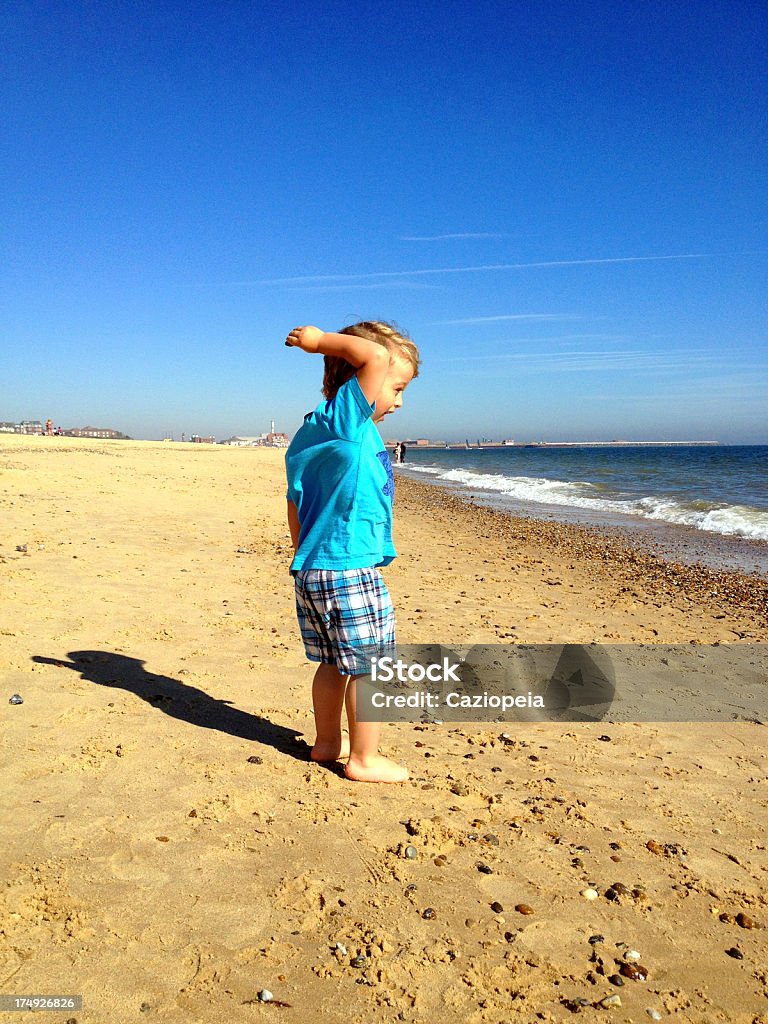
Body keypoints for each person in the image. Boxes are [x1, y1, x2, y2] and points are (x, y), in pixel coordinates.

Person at [284, 321, 420, 783]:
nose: (399, 401)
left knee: (332, 663)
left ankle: (327, 743)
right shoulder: (345, 420)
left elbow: (295, 502)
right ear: (357, 376)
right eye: (397, 389)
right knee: (371, 666)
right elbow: (374, 358)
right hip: (346, 571)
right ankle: (363, 758)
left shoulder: (319, 432)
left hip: (315, 569)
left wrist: (304, 557)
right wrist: (320, 342)